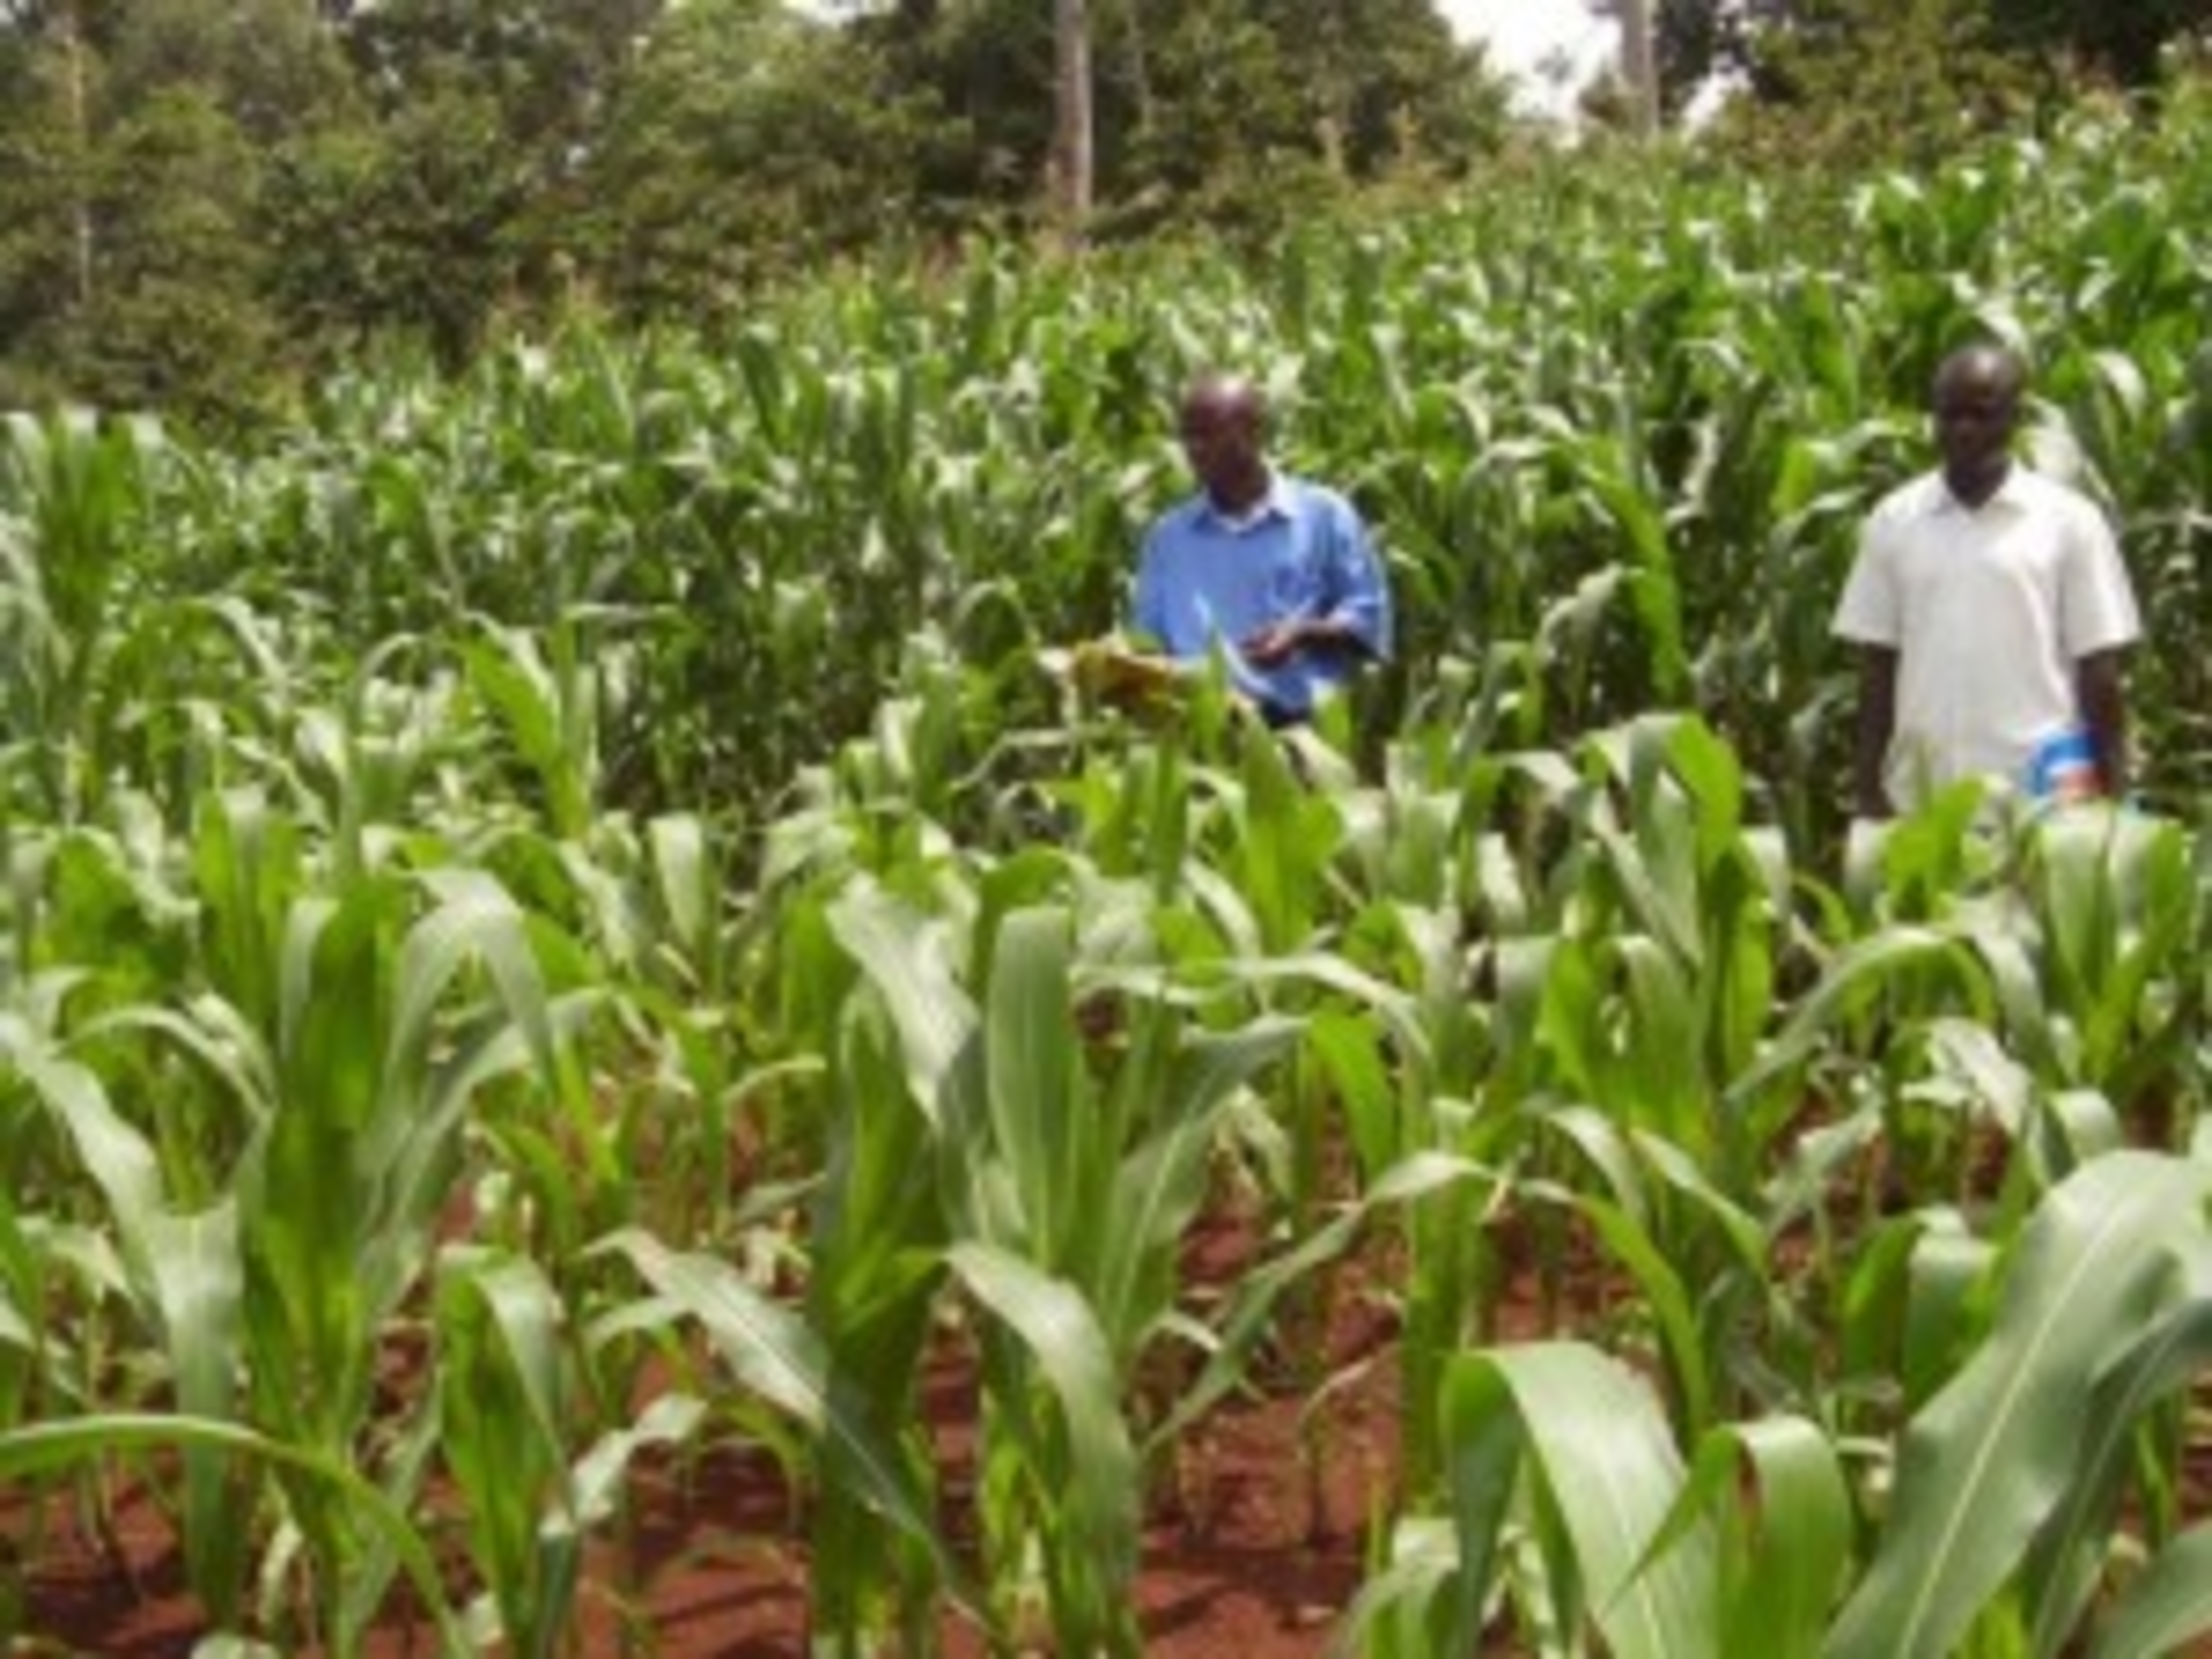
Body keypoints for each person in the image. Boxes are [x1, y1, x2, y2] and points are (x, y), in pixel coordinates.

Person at [1833, 342, 2141, 818]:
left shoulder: (2069, 522)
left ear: (2014, 417)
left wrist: (2115, 796)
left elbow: (2099, 669)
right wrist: (1868, 793)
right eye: (1950, 414)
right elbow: (1877, 667)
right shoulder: (1894, 521)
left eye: (1981, 414)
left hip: (2042, 800)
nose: (1964, 429)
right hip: (1922, 800)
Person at [1127, 372, 1390, 726]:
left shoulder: (1323, 515)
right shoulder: (1168, 537)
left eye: (1208, 432)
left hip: (1302, 732)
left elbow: (1370, 621)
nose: (1194, 448)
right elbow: (1146, 645)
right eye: (1188, 435)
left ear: (1255, 433)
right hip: (1200, 730)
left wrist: (1302, 633)